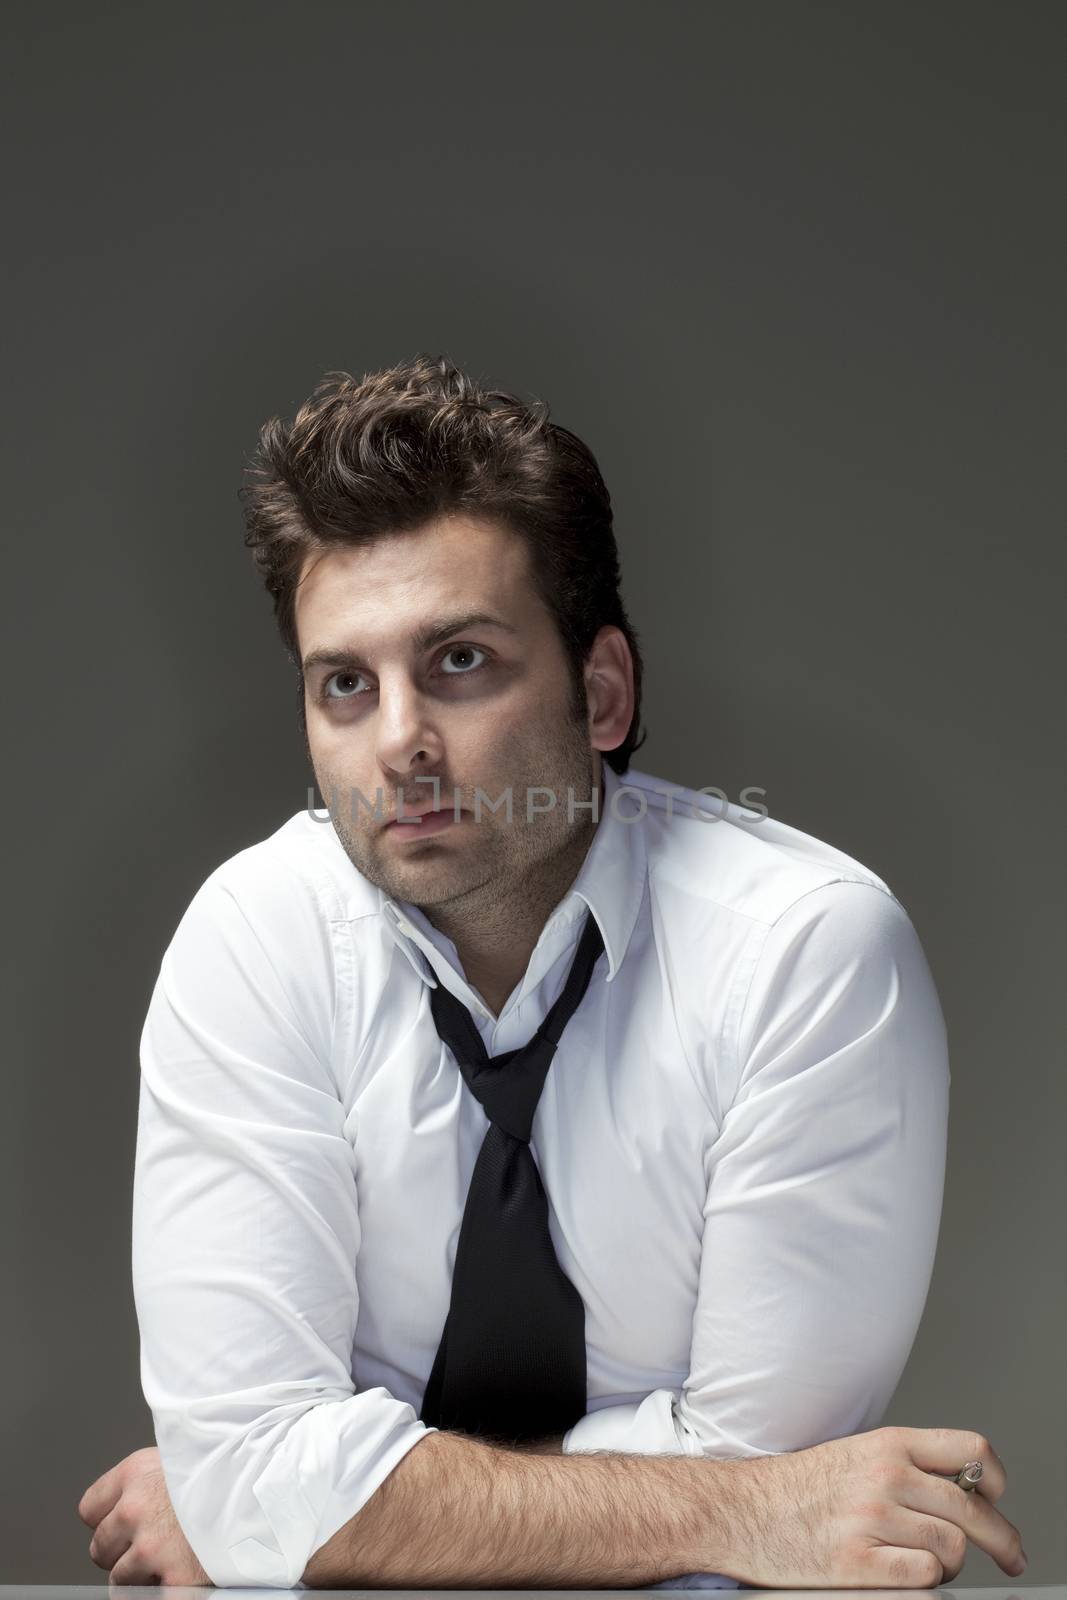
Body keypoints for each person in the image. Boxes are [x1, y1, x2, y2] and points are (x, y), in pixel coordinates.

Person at [77, 355, 1026, 1589]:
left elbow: (757, 1494)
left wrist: (306, 1499)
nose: (399, 740)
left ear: (603, 690)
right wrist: (723, 1505)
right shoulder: (254, 940)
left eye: (459, 661)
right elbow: (756, 1509)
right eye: (345, 685)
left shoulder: (805, 953)